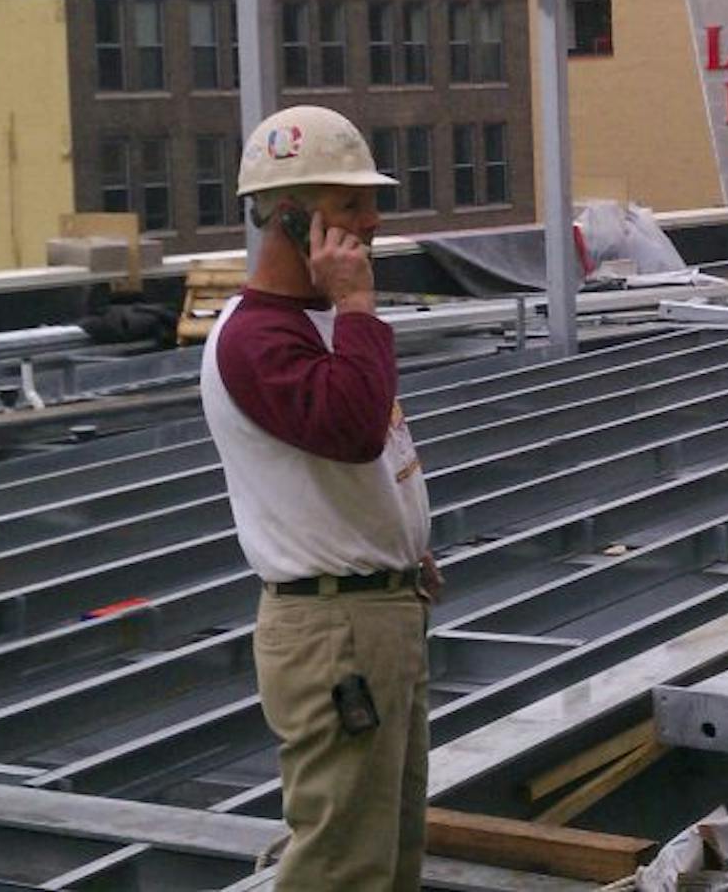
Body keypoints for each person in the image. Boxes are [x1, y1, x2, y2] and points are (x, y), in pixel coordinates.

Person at [200, 104, 438, 889]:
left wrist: (400, 548)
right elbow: (353, 427)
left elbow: (355, 466)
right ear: (294, 218)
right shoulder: (256, 337)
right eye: (349, 206)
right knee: (342, 863)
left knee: (388, 850)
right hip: (332, 630)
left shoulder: (317, 320)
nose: (372, 222)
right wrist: (360, 308)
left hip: (374, 610)